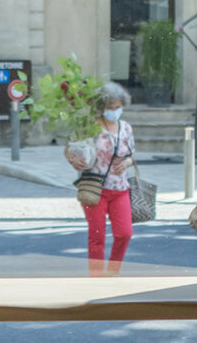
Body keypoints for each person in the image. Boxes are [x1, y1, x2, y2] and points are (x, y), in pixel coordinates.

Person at [65, 84, 136, 277]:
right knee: (97, 236)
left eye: (117, 106)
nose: (114, 111)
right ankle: (96, 278)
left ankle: (113, 272)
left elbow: (132, 155)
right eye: (110, 107)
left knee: (125, 233)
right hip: (95, 189)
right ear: (101, 106)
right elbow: (70, 148)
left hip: (120, 188)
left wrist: (127, 162)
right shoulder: (90, 126)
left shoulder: (126, 128)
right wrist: (74, 159)